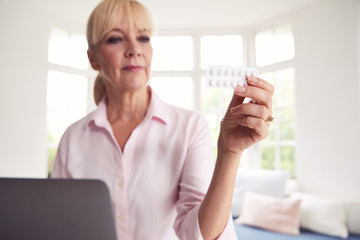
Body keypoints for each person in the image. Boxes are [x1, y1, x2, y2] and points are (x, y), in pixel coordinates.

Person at [51, 0, 274, 239]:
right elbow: (62, 225)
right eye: (116, 39)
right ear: (93, 58)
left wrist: (229, 152)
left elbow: (197, 235)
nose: (134, 49)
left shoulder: (189, 127)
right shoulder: (73, 138)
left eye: (143, 38)